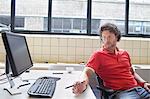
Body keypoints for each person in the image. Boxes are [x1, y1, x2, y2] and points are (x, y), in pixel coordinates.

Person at [72, 23, 150, 99]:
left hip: (138, 89)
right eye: (104, 37)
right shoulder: (98, 55)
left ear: (116, 37)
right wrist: (82, 83)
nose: (106, 40)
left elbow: (132, 73)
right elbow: (86, 72)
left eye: (109, 37)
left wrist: (144, 83)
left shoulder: (124, 53)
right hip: (122, 93)